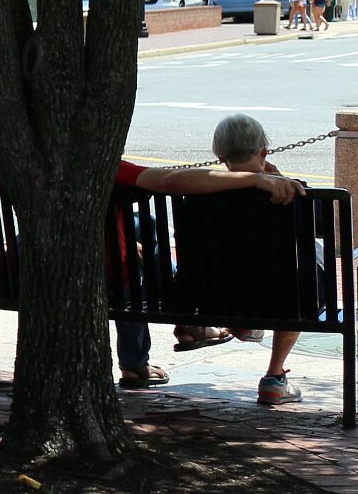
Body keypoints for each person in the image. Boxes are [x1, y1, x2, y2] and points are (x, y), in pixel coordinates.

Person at [112, 113, 307, 406]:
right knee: (302, 277)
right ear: (264, 152)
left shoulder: (196, 200)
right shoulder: (289, 192)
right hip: (273, 297)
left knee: (148, 230)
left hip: (207, 296)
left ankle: (216, 323)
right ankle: (274, 377)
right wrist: (267, 178)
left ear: (221, 157)